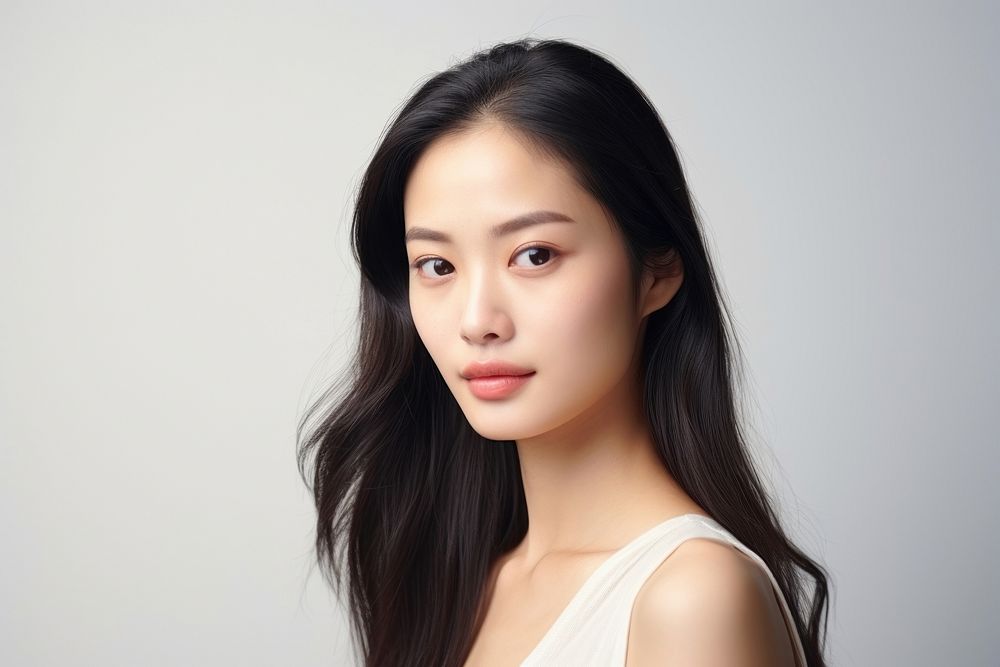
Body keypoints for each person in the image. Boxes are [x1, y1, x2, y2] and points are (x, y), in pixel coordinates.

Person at [298, 37, 830, 666]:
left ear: (656, 271)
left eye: (534, 255)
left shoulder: (690, 600)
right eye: (437, 265)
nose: (477, 322)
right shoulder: (461, 581)